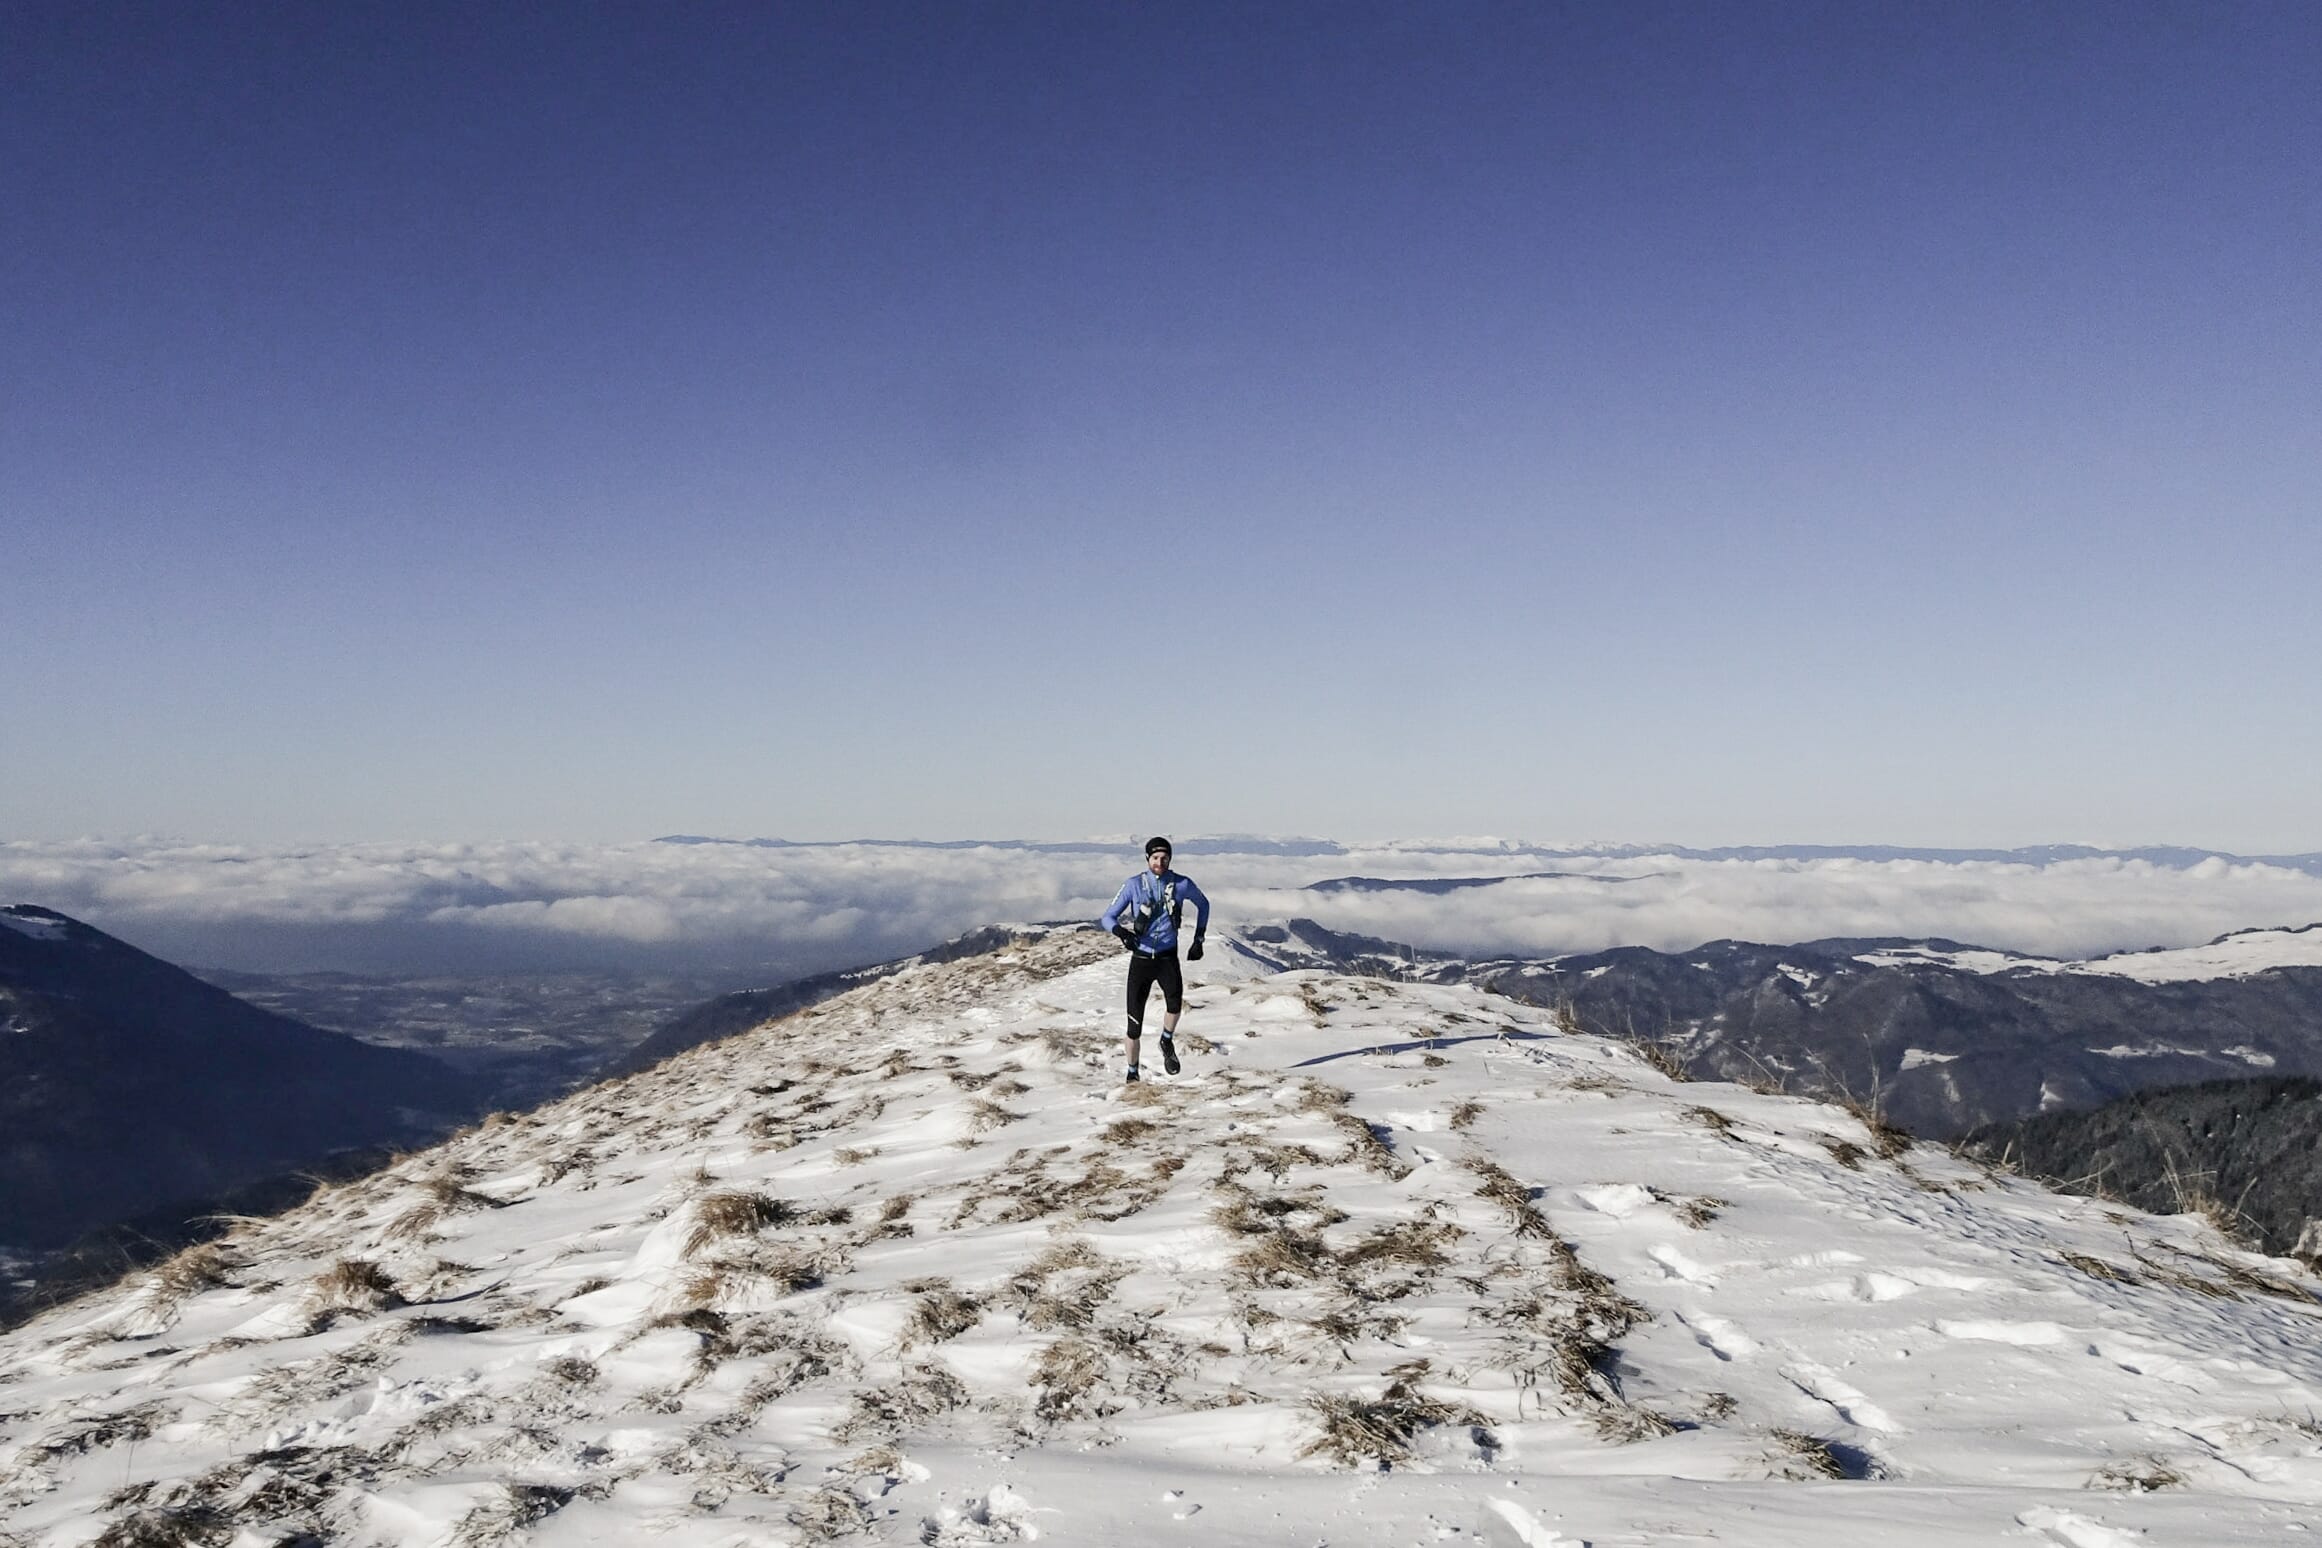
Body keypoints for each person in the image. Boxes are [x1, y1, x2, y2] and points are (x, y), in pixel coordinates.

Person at [1096, 836, 1211, 1082]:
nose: (1160, 862)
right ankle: (1132, 1073)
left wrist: (1198, 939)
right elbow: (1107, 918)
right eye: (1155, 858)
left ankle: (1166, 1041)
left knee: (1175, 1004)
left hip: (1167, 957)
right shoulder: (1133, 885)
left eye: (1164, 858)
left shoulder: (1181, 884)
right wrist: (1122, 934)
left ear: (1170, 858)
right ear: (1147, 859)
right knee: (1133, 1024)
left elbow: (1204, 904)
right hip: (1141, 959)